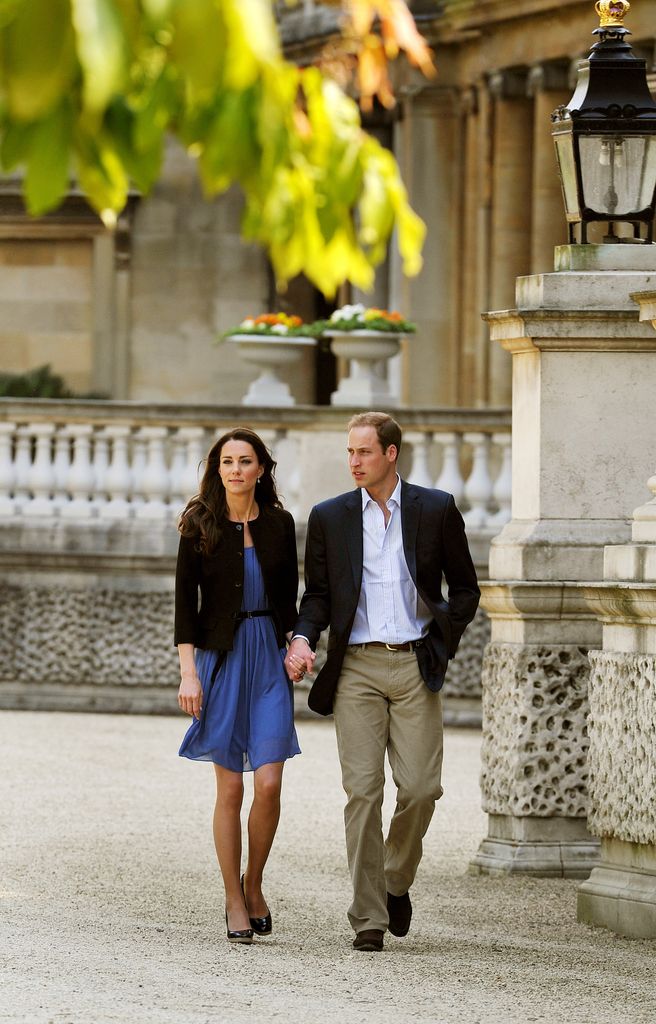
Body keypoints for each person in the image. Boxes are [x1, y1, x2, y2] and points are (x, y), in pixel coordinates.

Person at [285, 412, 479, 952]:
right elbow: (318, 595)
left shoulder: (435, 508)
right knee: (363, 793)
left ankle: (394, 880)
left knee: (421, 789)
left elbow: (465, 588)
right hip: (357, 669)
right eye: (350, 453)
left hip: (416, 664)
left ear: (391, 454)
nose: (354, 462)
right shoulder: (330, 516)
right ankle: (367, 917)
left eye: (364, 453)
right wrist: (303, 639)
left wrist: (444, 638)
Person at [175, 427, 300, 944]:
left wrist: (298, 642)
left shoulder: (279, 525)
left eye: (244, 461)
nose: (235, 470)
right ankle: (233, 896)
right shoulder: (198, 524)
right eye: (227, 461)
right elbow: (186, 608)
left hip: (269, 661)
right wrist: (189, 674)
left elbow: (290, 600)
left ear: (261, 469)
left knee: (269, 782)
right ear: (217, 468)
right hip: (220, 663)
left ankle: (255, 883)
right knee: (230, 787)